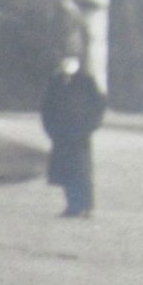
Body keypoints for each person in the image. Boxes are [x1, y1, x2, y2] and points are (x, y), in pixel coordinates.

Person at [41, 55, 106, 217]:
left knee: (82, 170)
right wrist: (50, 129)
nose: (67, 66)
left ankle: (86, 205)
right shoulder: (55, 82)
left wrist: (91, 125)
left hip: (80, 134)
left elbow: (98, 104)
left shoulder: (86, 81)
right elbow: (46, 107)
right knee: (66, 171)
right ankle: (72, 205)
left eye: (71, 63)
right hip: (61, 134)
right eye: (65, 63)